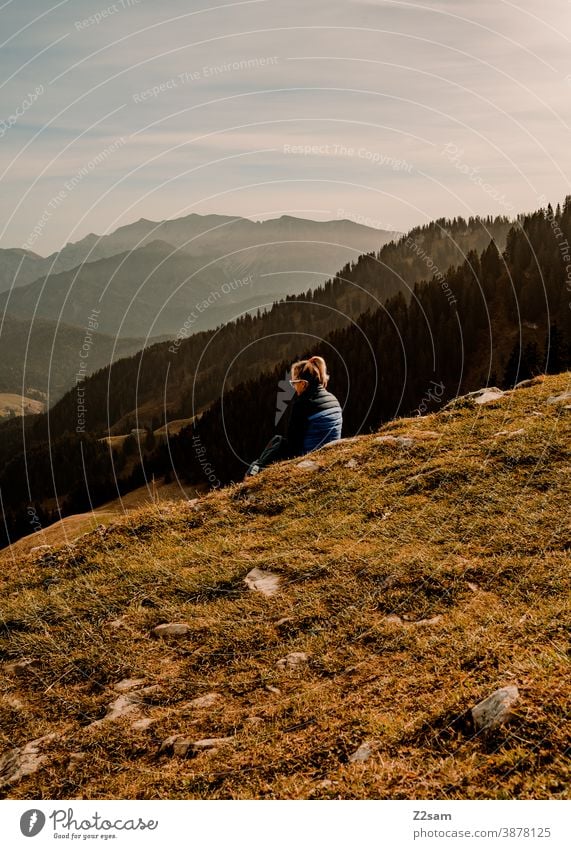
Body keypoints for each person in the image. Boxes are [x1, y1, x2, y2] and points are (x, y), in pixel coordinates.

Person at [245, 355, 343, 477]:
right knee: (277, 442)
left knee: (277, 441)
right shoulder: (333, 399)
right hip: (330, 451)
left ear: (303, 383)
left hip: (309, 454)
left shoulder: (303, 404)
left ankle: (254, 471)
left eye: (294, 383)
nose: (294, 387)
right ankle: (256, 468)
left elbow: (293, 444)